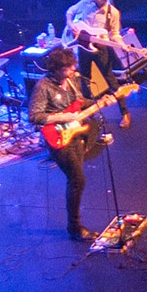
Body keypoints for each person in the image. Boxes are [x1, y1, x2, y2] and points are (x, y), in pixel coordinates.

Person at [27, 47, 104, 240]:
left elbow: (79, 102)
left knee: (77, 179)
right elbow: (34, 116)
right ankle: (75, 228)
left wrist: (101, 102)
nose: (72, 71)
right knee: (77, 180)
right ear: (55, 69)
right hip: (58, 137)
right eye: (67, 68)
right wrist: (64, 116)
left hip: (75, 134)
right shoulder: (43, 86)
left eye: (72, 67)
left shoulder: (72, 81)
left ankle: (75, 227)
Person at [67, 0, 133, 129]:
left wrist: (121, 44)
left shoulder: (113, 12)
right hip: (83, 47)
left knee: (111, 80)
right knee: (85, 80)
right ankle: (88, 113)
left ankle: (125, 113)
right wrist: (71, 25)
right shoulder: (86, 4)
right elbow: (70, 12)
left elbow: (115, 34)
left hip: (101, 48)